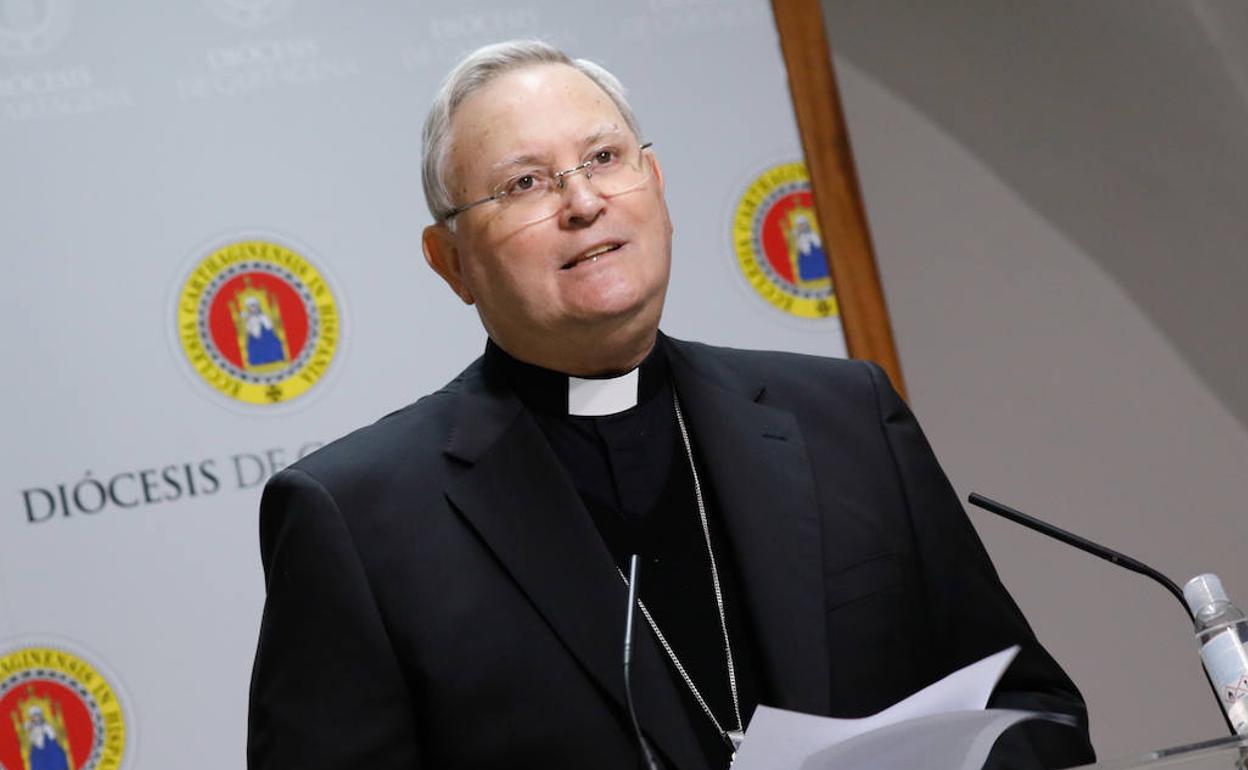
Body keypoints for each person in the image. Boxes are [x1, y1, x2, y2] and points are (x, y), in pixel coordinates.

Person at [247, 40, 1096, 769]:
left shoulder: (846, 419)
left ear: (654, 183)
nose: (584, 203)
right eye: (526, 183)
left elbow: (1035, 712)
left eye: (603, 159)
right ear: (452, 263)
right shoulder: (358, 520)